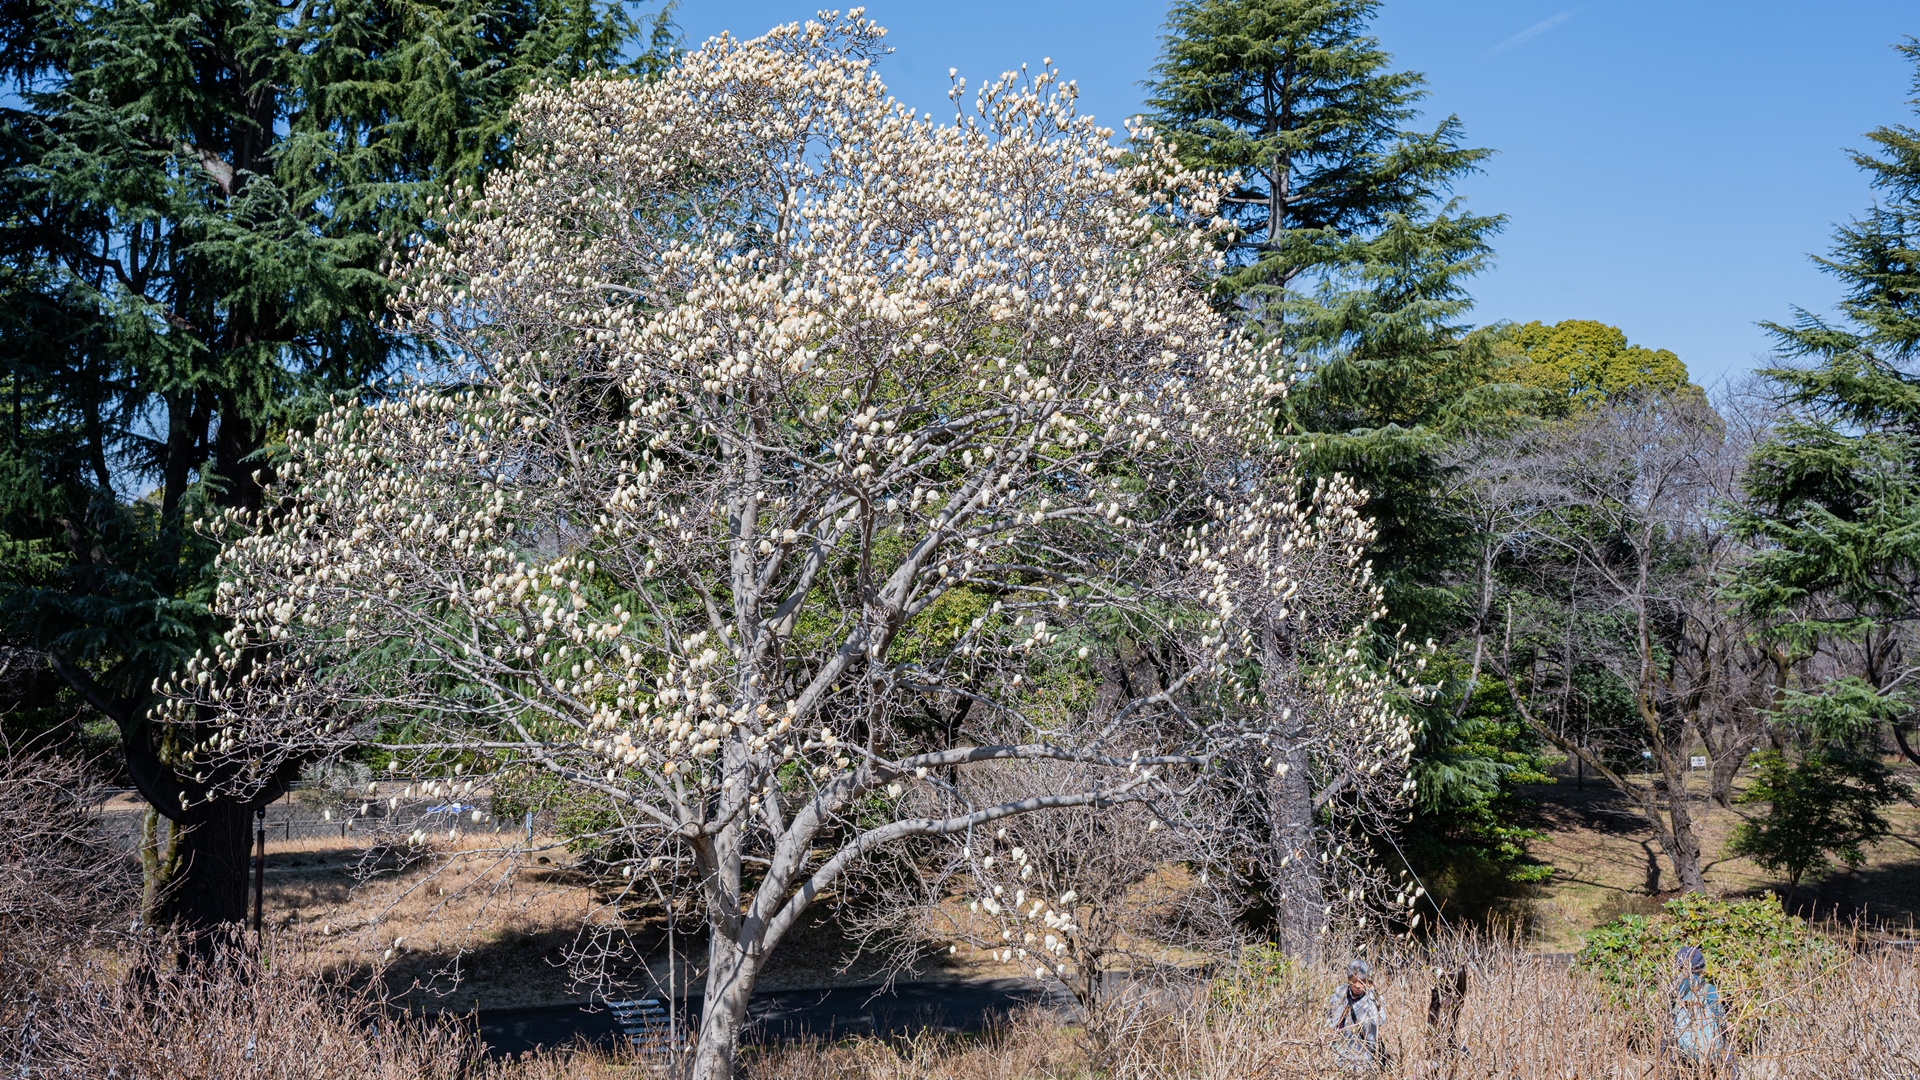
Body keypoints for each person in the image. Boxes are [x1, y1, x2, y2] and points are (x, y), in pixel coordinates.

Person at [1668, 946, 1737, 1076]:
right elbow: (1719, 1017)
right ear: (1701, 967)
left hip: (1681, 1052)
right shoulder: (1708, 989)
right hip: (1709, 1050)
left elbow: (1670, 1018)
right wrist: (1727, 1025)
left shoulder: (1672, 990)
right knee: (1730, 1055)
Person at [1326, 958, 1384, 1073]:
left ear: (1367, 981)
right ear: (1349, 980)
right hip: (1341, 1052)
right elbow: (1331, 1018)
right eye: (1354, 981)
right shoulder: (1340, 993)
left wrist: (1372, 994)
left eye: (1362, 982)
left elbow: (1380, 1021)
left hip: (1364, 1053)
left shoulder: (1374, 998)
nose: (1357, 985)